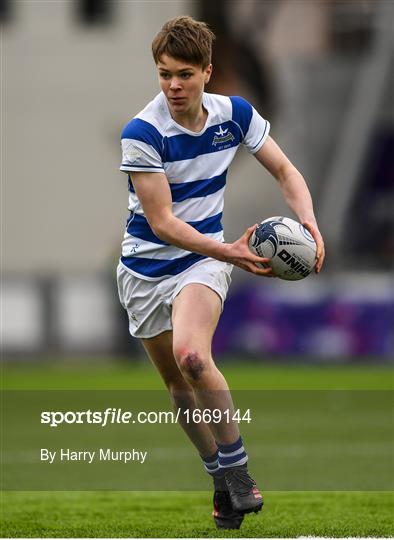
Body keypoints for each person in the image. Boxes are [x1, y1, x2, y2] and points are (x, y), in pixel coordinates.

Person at [117, 15, 325, 530]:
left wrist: (309, 223)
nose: (173, 85)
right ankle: (220, 479)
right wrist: (231, 251)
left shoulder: (234, 115)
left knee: (192, 356)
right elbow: (163, 223)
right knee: (177, 388)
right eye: (164, 73)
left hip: (203, 260)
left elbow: (285, 170)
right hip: (145, 269)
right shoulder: (142, 133)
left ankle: (239, 472)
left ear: (208, 72)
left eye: (184, 74)